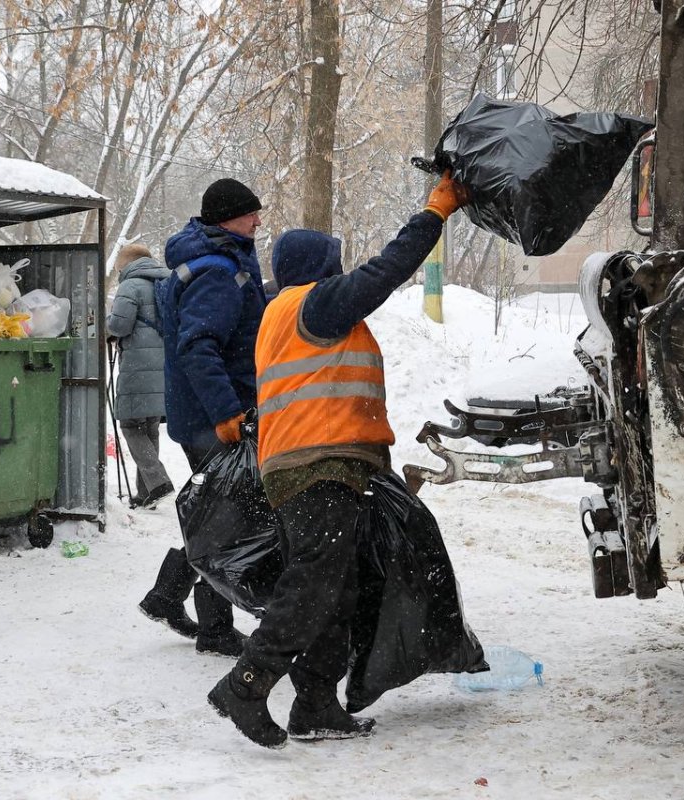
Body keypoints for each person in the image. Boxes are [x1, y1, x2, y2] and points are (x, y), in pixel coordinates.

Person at [206, 171, 470, 748]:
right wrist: (435, 212)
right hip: (315, 465)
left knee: (337, 587)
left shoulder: (284, 313)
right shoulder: (314, 305)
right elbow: (387, 270)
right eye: (335, 263)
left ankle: (317, 703)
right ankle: (247, 684)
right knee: (313, 584)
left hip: (313, 466)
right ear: (319, 270)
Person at [137, 177, 266, 657]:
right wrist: (228, 413)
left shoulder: (220, 262)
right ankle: (212, 627)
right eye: (251, 213)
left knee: (215, 511)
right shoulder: (216, 271)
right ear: (227, 219)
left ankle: (167, 595)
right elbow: (199, 347)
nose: (258, 221)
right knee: (224, 519)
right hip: (213, 417)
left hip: (205, 413)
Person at [106, 243, 173, 510]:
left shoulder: (130, 286)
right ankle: (147, 493)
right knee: (150, 426)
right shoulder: (167, 282)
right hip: (165, 364)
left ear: (127, 264)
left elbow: (119, 325)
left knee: (130, 425)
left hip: (138, 365)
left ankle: (158, 482)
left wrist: (105, 324)